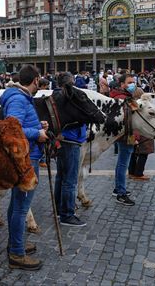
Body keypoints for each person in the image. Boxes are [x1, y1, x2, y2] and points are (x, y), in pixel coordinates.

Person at [0, 64, 47, 271]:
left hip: (29, 156)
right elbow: (11, 130)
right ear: (35, 80)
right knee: (21, 207)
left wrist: (38, 126)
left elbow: (19, 126)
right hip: (27, 160)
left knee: (17, 205)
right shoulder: (19, 99)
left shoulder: (19, 97)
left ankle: (15, 244)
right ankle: (17, 254)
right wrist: (37, 134)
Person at [53, 72, 87, 227]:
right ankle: (67, 214)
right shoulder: (68, 98)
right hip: (71, 140)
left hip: (64, 140)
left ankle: (59, 208)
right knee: (70, 179)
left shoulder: (55, 97)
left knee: (61, 176)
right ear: (70, 83)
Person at [109, 74, 137, 206]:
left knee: (121, 162)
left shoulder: (120, 96)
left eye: (133, 82)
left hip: (123, 135)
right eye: (130, 82)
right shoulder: (124, 99)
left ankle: (118, 188)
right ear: (122, 84)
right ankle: (121, 192)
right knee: (123, 164)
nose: (133, 84)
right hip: (127, 135)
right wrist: (135, 138)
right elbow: (131, 121)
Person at [128, 88, 154, 181]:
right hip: (142, 133)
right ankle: (139, 173)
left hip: (131, 132)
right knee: (144, 153)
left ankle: (131, 172)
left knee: (132, 152)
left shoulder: (130, 104)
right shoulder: (144, 106)